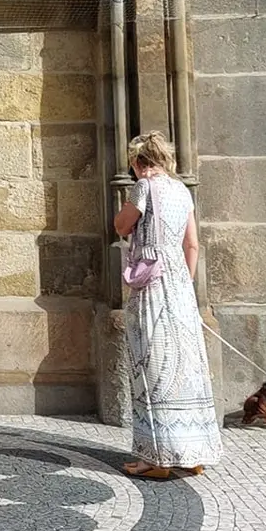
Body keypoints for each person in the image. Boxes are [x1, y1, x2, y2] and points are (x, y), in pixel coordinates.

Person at [112, 130, 223, 479]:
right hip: (180, 287)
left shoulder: (144, 186)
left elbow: (121, 226)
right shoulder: (181, 190)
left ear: (137, 161)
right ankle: (191, 453)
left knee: (153, 366)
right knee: (186, 368)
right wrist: (184, 282)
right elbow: (193, 245)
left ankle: (157, 459)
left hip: (153, 286)